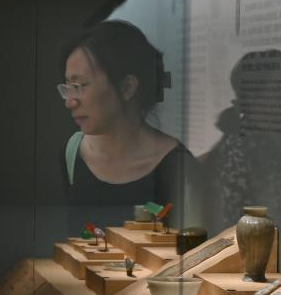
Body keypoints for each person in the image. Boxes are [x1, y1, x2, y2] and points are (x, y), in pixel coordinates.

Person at [59, 20, 200, 228]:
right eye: (68, 87)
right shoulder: (73, 152)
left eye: (80, 86)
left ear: (127, 87)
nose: (70, 102)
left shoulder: (176, 167)